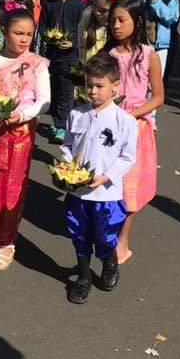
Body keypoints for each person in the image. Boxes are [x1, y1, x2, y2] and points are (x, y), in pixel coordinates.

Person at [59, 53, 137, 304]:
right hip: (77, 191)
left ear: (115, 87)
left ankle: (109, 262)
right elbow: (67, 145)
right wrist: (67, 164)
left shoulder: (124, 121)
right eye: (88, 85)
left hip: (107, 194)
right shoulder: (77, 114)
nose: (92, 91)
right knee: (79, 233)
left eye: (99, 86)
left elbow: (127, 157)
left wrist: (106, 177)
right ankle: (83, 277)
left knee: (105, 235)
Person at [0, 6, 50, 270]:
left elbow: (44, 102)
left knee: (12, 188)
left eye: (29, 35)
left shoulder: (38, 64)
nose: (23, 39)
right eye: (18, 33)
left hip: (20, 134)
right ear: (4, 31)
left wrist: (21, 115)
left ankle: (7, 242)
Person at [106, 0, 164, 264]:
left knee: (130, 190)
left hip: (137, 130)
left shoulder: (149, 56)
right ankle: (107, 232)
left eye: (122, 20)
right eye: (113, 20)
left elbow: (158, 97)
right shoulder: (109, 55)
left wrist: (131, 114)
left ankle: (122, 239)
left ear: (137, 22)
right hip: (110, 129)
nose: (116, 26)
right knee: (110, 184)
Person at [42, 0, 83, 144]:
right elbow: (42, 25)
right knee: (54, 87)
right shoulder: (50, 2)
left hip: (70, 55)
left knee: (66, 90)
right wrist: (47, 36)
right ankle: (56, 120)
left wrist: (73, 41)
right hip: (52, 54)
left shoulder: (79, 5)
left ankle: (61, 125)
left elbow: (82, 29)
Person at [140, 0, 179, 73]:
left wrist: (156, 1)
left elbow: (172, 17)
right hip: (142, 43)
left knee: (155, 80)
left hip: (159, 45)